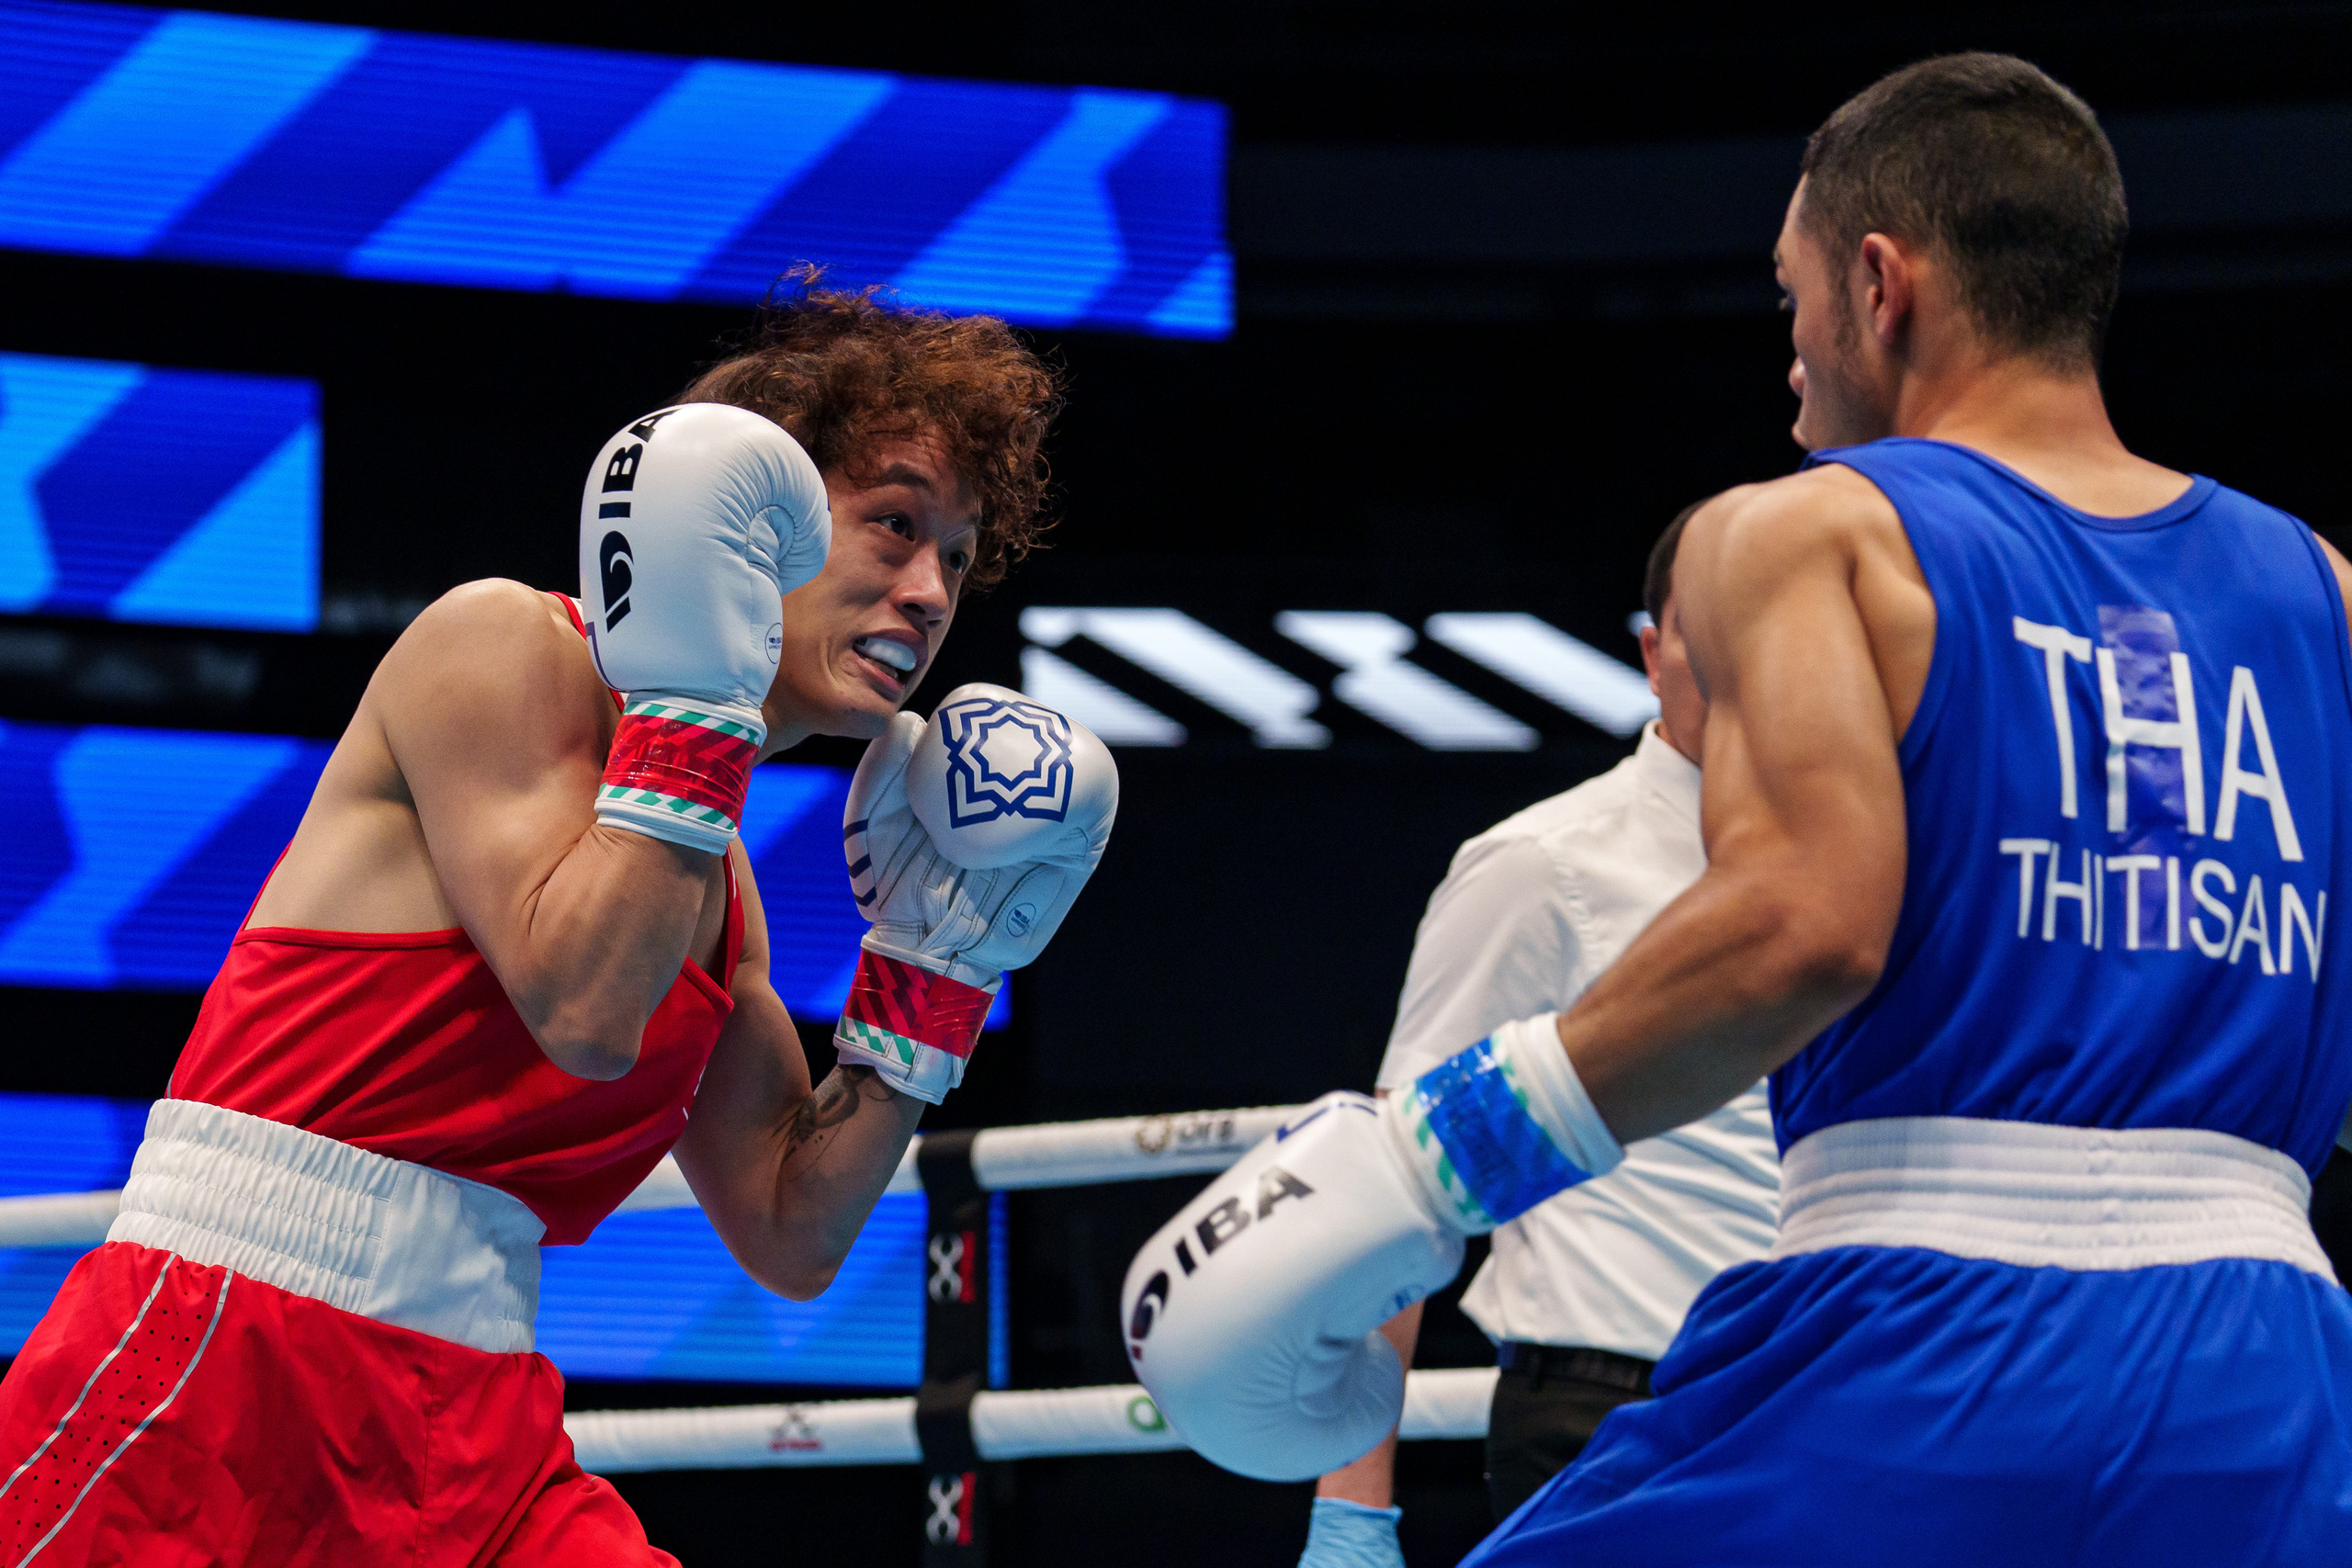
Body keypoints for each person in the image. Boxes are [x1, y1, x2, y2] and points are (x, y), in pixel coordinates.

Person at [1127, 53, 2352, 1565]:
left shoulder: (1804, 534)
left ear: (1879, 282)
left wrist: (1428, 1159)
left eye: (1791, 301)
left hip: (1928, 1331)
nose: (1789, 363)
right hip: (2273, 1365)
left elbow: (1804, 926)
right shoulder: (2321, 590)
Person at [0, 279, 1116, 1565]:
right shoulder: (500, 647)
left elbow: (792, 1229)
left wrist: (935, 971)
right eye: (894, 526)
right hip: (226, 1353)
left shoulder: (714, 888)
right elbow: (582, 1010)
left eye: (959, 558)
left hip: (471, 1403)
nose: (928, 591)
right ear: (755, 520)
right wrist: (705, 701)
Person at [1297, 507, 1779, 1566]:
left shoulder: (1862, 870)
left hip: (1816, 1409)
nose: (1752, 664)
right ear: (1654, 654)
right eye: (1716, 630)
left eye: (1776, 627)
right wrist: (1354, 1507)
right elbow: (1400, 1183)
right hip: (1602, 1410)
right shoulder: (1543, 864)